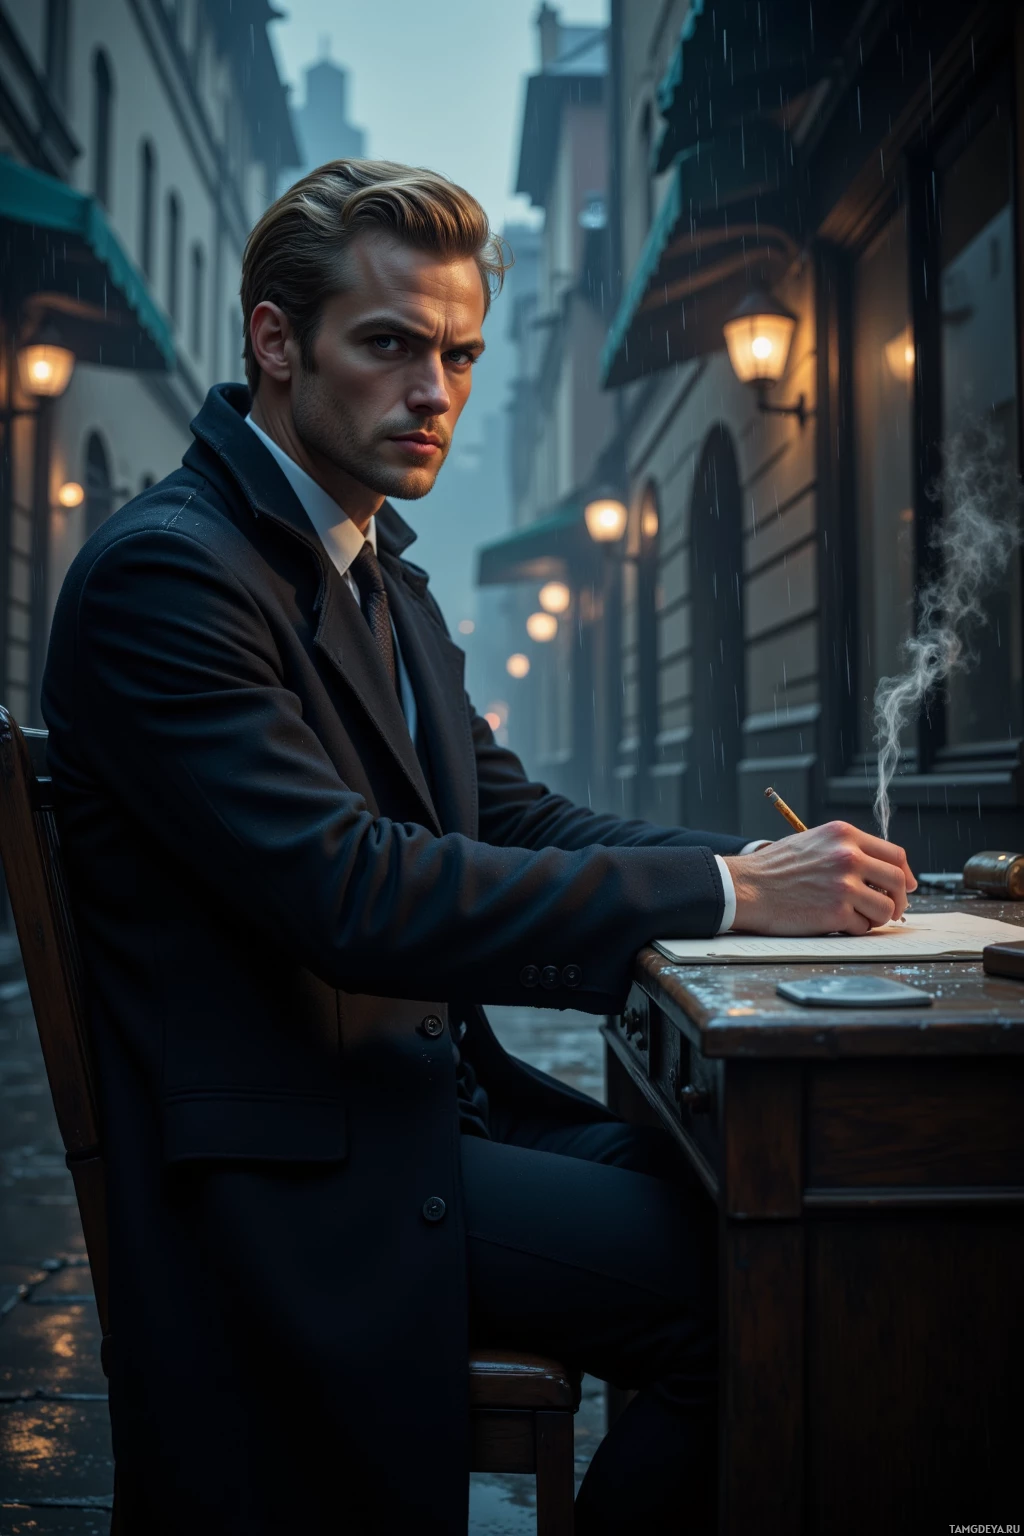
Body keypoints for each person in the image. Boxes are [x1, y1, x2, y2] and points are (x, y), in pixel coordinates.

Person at [41, 160, 916, 1535]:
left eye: (458, 355)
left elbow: (514, 820)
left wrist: (775, 872)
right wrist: (728, 893)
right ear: (276, 341)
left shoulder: (375, 570)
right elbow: (354, 895)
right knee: (758, 1285)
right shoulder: (171, 576)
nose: (434, 391)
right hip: (293, 1180)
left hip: (415, 1112)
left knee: (783, 1208)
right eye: (391, 345)